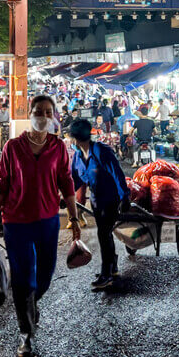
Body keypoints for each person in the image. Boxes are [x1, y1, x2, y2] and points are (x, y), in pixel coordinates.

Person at [0, 95, 81, 357]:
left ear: (53, 117)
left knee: (44, 278)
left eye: (48, 112)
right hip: (16, 221)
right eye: (38, 111)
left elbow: (67, 184)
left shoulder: (59, 147)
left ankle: (30, 304)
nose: (43, 115)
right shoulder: (13, 147)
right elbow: (1, 185)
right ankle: (25, 334)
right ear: (30, 114)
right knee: (23, 277)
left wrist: (74, 218)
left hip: (48, 221)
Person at [68, 119, 129, 291]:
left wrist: (125, 197)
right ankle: (112, 268)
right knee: (105, 234)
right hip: (96, 199)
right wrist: (66, 197)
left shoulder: (101, 151)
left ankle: (107, 274)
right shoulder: (78, 156)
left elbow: (117, 173)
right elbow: (76, 179)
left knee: (103, 233)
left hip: (111, 198)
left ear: (77, 138)